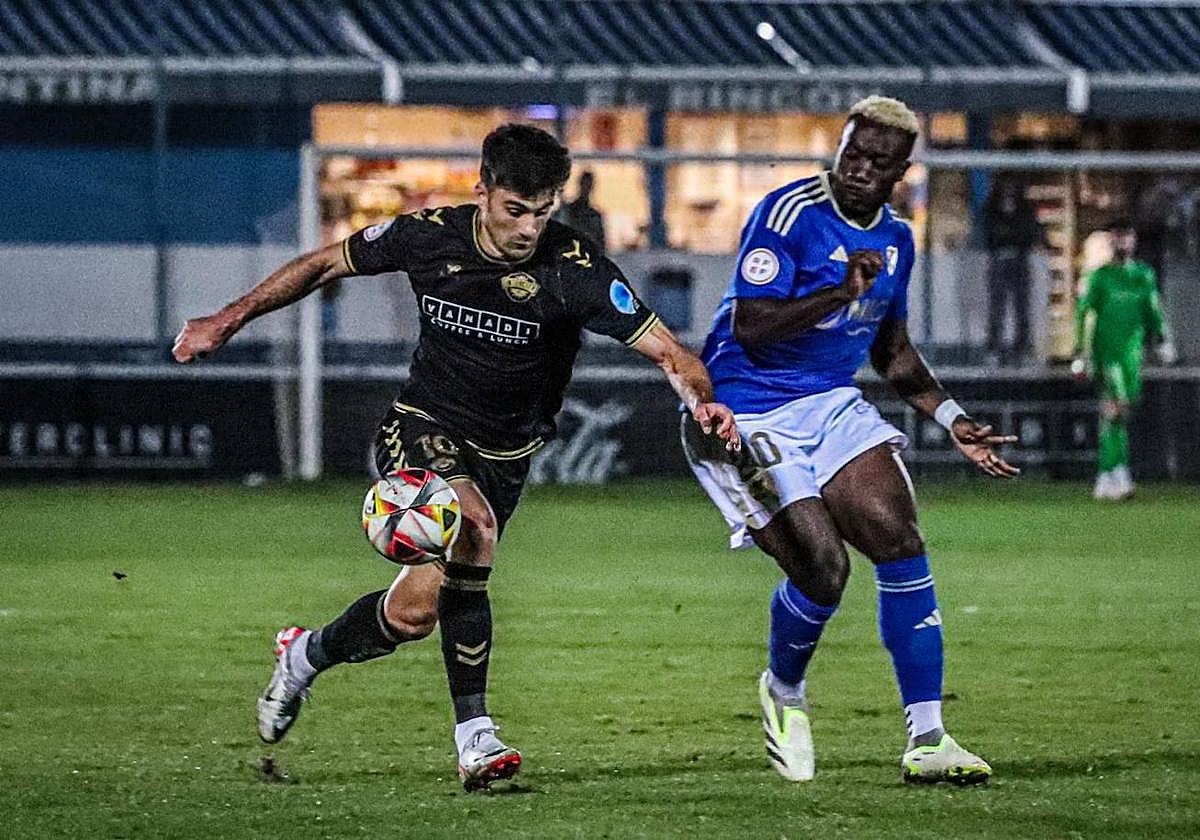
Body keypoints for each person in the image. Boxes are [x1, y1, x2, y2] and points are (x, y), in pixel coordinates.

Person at [172, 124, 739, 790]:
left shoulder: (574, 269)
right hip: (422, 424)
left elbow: (672, 353)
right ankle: (475, 737)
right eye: (515, 210)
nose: (528, 228)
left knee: (413, 615)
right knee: (475, 525)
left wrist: (702, 402)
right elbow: (324, 264)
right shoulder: (429, 236)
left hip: (506, 456)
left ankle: (304, 655)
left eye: (543, 212)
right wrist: (227, 319)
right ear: (483, 191)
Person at [682, 96, 1019, 785]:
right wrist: (837, 293)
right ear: (839, 148)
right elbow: (751, 327)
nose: (860, 169)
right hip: (745, 410)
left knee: (899, 536)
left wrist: (952, 418)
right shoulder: (788, 214)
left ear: (901, 171)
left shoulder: (897, 238)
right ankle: (784, 689)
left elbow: (891, 351)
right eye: (852, 153)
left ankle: (928, 738)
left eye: (878, 161)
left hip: (831, 404)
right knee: (824, 569)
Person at [1072, 220, 1175, 500]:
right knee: (1113, 408)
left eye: (1127, 237)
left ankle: (1112, 471)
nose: (1123, 242)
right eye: (1117, 237)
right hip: (1107, 352)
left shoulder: (1143, 275)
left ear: (1134, 240)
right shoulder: (1101, 276)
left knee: (1120, 413)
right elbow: (1083, 312)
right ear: (1111, 241)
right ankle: (1112, 473)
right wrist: (1080, 350)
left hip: (1132, 354)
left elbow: (1152, 309)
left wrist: (1161, 338)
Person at [983, 176, 1042, 363]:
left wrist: (1009, 236)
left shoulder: (1025, 209)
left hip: (1019, 260)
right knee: (997, 307)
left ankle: (1022, 347)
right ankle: (994, 347)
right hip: (1000, 259)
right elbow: (989, 233)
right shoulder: (992, 209)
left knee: (1021, 306)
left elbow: (1028, 233)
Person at [559, 169, 607, 255]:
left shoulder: (594, 216)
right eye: (585, 184)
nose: (586, 188)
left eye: (588, 185)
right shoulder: (568, 211)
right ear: (580, 184)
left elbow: (600, 244)